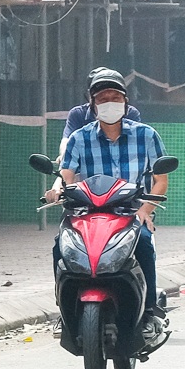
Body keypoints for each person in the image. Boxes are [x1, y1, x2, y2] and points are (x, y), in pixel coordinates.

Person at [54, 67, 170, 344]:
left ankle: (149, 314)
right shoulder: (79, 138)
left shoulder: (146, 135)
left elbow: (161, 180)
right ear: (92, 104)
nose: (109, 103)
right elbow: (66, 175)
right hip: (89, 212)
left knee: (143, 244)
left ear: (125, 103)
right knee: (60, 245)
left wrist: (144, 211)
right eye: (102, 98)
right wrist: (57, 189)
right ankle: (64, 310)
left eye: (115, 97)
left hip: (130, 214)